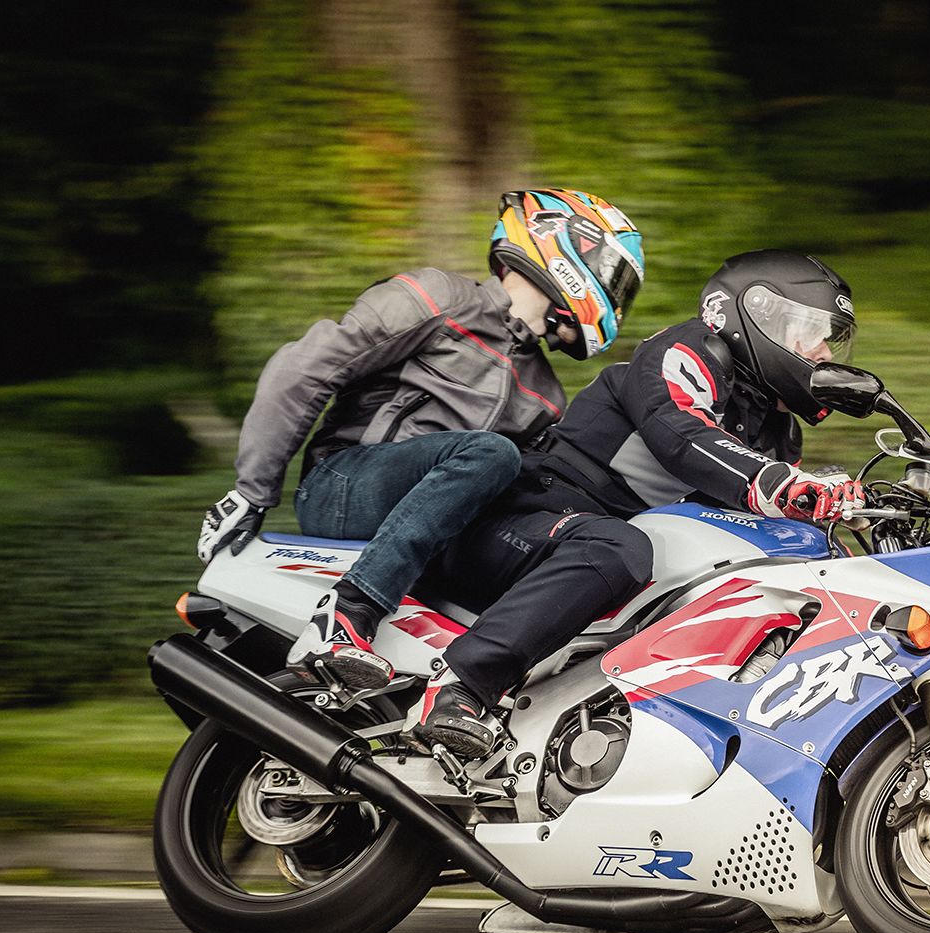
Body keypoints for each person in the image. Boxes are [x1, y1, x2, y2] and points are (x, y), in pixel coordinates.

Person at [405, 250, 867, 758]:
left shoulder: (778, 433)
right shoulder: (688, 353)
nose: (824, 350)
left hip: (587, 564)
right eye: (810, 329)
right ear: (759, 318)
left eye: (830, 336)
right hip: (518, 524)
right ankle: (459, 687)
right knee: (619, 546)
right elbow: (682, 434)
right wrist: (776, 481)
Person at [197, 188, 646, 689]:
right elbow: (302, 370)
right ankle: (345, 616)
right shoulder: (439, 297)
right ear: (561, 243)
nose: (615, 293)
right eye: (614, 274)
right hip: (344, 485)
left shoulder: (546, 395)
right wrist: (252, 490)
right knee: (490, 452)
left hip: (438, 527)